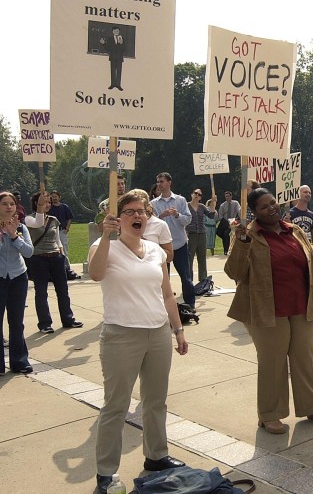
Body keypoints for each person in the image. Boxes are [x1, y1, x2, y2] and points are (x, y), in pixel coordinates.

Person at [88, 192, 189, 494]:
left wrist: (178, 329)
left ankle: (156, 456)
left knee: (156, 400)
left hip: (157, 332)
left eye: (141, 211)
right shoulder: (103, 246)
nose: (137, 216)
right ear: (118, 218)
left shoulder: (156, 250)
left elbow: (168, 293)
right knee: (116, 406)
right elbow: (95, 274)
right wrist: (106, 237)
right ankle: (106, 473)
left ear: (148, 215)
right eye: (129, 212)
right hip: (121, 335)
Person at [225, 188, 313, 435]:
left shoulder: (295, 231)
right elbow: (234, 272)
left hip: (301, 307)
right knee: (273, 362)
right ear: (254, 212)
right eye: (263, 206)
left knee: (306, 359)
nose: (271, 208)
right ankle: (269, 414)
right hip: (266, 310)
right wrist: (240, 242)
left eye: (272, 202)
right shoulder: (248, 235)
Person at [25, 192, 83, 333]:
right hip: (39, 259)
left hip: (56, 258)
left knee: (63, 291)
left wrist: (63, 258)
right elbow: (38, 222)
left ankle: (68, 319)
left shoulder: (53, 220)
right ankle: (45, 324)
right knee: (41, 293)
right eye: (44, 202)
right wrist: (40, 204)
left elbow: (57, 240)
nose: (47, 205)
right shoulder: (29, 219)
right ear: (36, 203)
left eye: (49, 202)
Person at [0, 191, 34, 374]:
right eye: (4, 203)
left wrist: (14, 236)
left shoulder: (21, 228)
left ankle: (19, 361)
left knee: (16, 321)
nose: (8, 207)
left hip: (18, 277)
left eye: (11, 204)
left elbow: (29, 252)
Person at [151, 173, 196, 310]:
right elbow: (150, 223)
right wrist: (161, 216)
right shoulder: (153, 203)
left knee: (185, 276)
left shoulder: (180, 200)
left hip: (180, 243)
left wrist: (177, 215)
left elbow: (188, 220)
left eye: (162, 181)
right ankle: (164, 305)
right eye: (158, 182)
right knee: (163, 278)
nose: (159, 184)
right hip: (162, 245)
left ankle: (190, 304)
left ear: (169, 182)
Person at [186, 188, 216, 282]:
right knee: (189, 259)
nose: (197, 195)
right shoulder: (186, 206)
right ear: (191, 194)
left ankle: (203, 281)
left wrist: (213, 203)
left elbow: (211, 215)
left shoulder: (202, 206)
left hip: (202, 234)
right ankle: (189, 281)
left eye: (199, 194)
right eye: (195, 193)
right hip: (191, 234)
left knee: (202, 258)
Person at [48, 190, 79, 280]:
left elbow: (69, 218)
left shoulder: (64, 207)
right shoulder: (49, 208)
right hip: (51, 232)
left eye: (55, 196)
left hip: (62, 231)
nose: (54, 198)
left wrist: (67, 228)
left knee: (64, 250)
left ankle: (67, 268)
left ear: (59, 197)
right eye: (52, 196)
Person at [288, 185, 313, 256]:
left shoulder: (312, 215)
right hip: (293, 250)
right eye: (305, 192)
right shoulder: (289, 214)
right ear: (298, 194)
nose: (308, 194)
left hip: (307, 251)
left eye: (309, 192)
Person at [100, 25, 126, 90]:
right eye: (115, 31)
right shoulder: (110, 38)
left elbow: (124, 49)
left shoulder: (122, 38)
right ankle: (112, 84)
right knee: (113, 71)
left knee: (119, 71)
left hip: (119, 58)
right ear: (112, 32)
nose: (116, 32)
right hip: (113, 57)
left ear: (119, 31)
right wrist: (103, 43)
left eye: (117, 30)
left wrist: (121, 44)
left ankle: (118, 85)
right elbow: (107, 49)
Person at [217, 191, 241, 255]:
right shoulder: (223, 205)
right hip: (225, 222)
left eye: (228, 196)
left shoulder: (235, 203)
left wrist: (240, 217)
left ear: (231, 196)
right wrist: (226, 222)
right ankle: (226, 248)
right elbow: (220, 216)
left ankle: (227, 250)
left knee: (226, 234)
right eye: (226, 196)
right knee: (220, 233)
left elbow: (239, 211)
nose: (227, 198)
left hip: (233, 222)